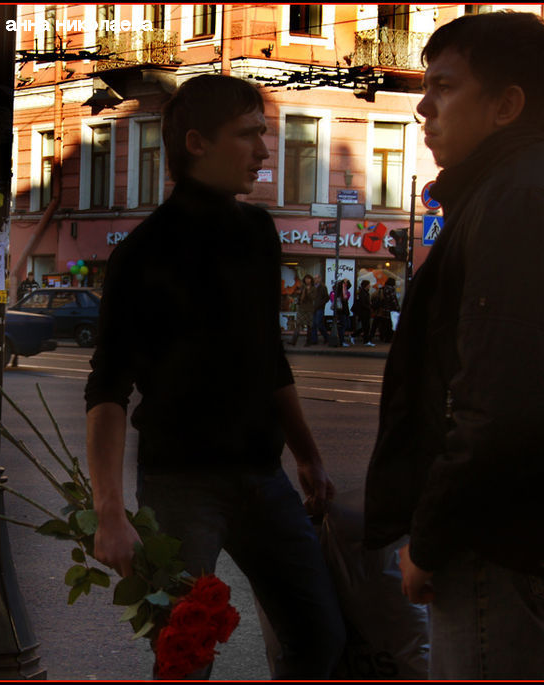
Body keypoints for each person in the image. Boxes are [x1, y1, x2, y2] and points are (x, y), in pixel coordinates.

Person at [363, 11, 544, 681]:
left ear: (506, 105)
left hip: (501, 544)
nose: (423, 106)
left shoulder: (514, 203)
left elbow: (503, 404)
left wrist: (429, 539)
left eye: (445, 87)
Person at [85, 73, 345, 679]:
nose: (264, 150)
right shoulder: (142, 255)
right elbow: (108, 387)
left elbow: (268, 357)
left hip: (264, 477)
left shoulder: (257, 233)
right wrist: (109, 513)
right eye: (249, 135)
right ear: (197, 143)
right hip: (181, 486)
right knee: (183, 654)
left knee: (320, 635)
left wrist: (306, 455)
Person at [290, 275, 315, 346]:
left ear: (311, 280)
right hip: (301, 308)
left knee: (309, 326)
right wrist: (299, 293)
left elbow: (313, 298)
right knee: (298, 324)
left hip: (309, 309)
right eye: (306, 279)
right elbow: (296, 295)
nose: (307, 280)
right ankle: (293, 341)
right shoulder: (302, 287)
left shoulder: (313, 288)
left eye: (309, 279)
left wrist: (308, 291)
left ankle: (308, 342)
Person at [309, 276, 330, 346]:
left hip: (319, 308)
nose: (315, 279)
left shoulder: (323, 287)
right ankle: (314, 340)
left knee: (319, 323)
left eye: (317, 278)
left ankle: (326, 337)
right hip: (312, 308)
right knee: (313, 324)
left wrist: (321, 303)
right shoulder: (312, 287)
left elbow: (327, 297)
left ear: (320, 279)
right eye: (314, 278)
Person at [353, 279, 374, 346]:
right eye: (368, 285)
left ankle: (354, 335)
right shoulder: (362, 292)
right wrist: (369, 307)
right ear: (366, 285)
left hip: (365, 311)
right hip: (364, 312)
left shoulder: (364, 292)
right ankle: (365, 341)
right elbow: (363, 303)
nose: (369, 286)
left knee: (366, 327)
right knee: (366, 326)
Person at [379, 277, 400, 343]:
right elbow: (393, 299)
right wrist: (397, 307)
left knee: (385, 324)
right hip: (391, 309)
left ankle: (384, 337)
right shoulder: (391, 289)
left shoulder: (383, 288)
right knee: (390, 325)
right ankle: (389, 338)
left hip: (384, 309)